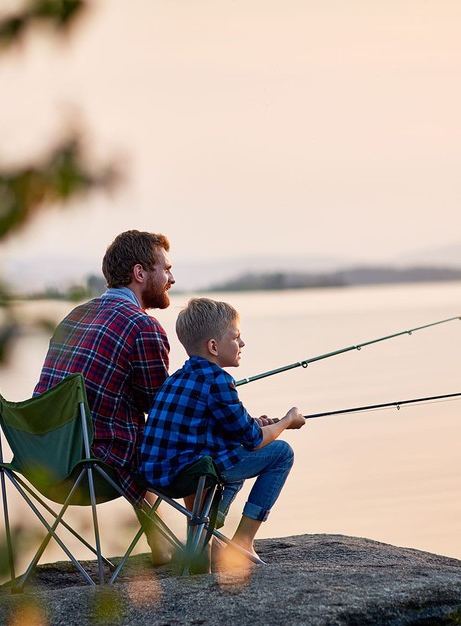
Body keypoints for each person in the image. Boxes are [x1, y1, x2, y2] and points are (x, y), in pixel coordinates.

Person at [33, 229, 175, 565]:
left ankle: (162, 545)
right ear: (140, 273)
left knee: (129, 434)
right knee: (173, 437)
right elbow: (159, 412)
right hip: (90, 469)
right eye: (165, 269)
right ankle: (199, 545)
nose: (172, 278)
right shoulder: (143, 327)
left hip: (42, 461)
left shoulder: (74, 315)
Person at [139, 297, 305, 565]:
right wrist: (287, 420)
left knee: (230, 451)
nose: (242, 344)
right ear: (214, 346)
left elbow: (214, 424)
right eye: (236, 337)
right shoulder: (218, 380)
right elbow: (253, 439)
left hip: (156, 477)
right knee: (281, 453)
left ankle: (207, 537)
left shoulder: (176, 379)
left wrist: (255, 422)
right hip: (192, 475)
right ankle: (242, 541)